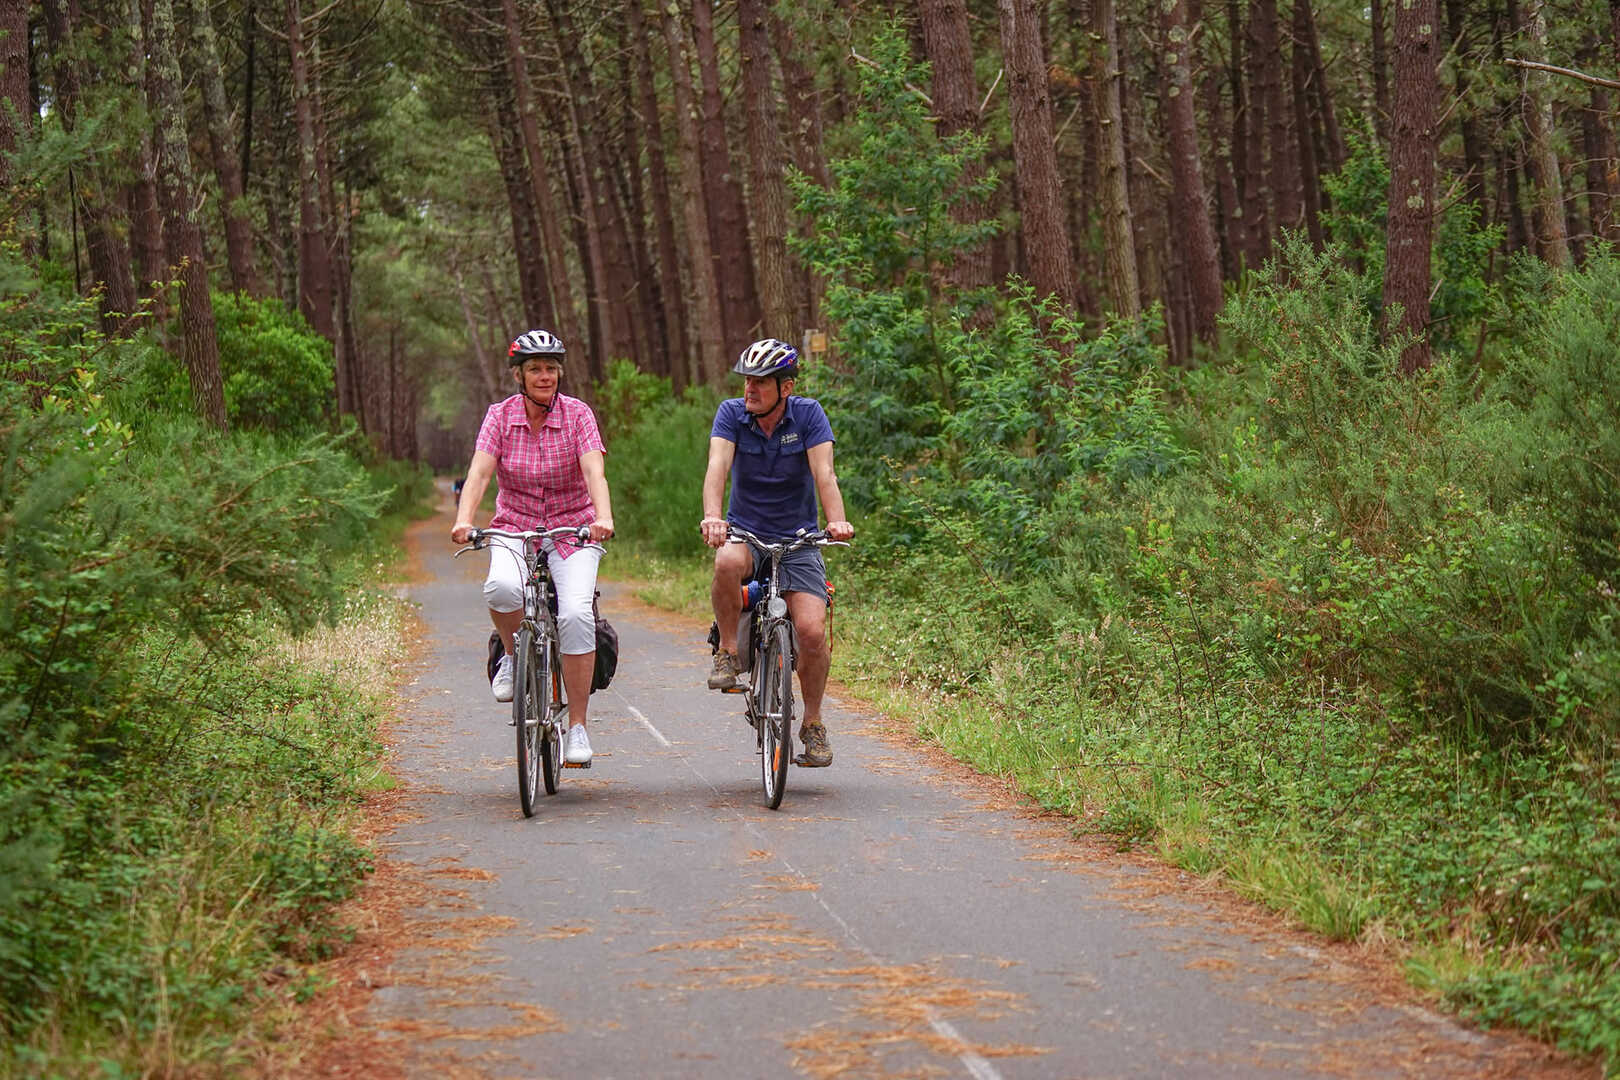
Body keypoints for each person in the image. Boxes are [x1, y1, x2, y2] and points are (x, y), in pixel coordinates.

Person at [451, 330, 614, 766]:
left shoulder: (578, 415)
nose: (545, 376)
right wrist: (465, 520)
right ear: (519, 376)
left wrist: (603, 517)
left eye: (551, 368)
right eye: (535, 369)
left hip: (573, 530)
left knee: (577, 613)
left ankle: (577, 727)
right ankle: (510, 656)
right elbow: (480, 473)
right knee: (501, 588)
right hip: (515, 526)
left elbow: (594, 470)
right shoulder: (500, 417)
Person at [700, 338, 854, 767]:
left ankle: (813, 723)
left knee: (811, 632)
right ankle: (729, 652)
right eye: (747, 380)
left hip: (799, 538)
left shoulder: (808, 415)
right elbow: (717, 468)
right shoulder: (732, 414)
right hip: (747, 533)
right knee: (726, 561)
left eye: (760, 383)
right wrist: (713, 516)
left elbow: (825, 472)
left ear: (785, 388)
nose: (750, 389)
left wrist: (836, 521)